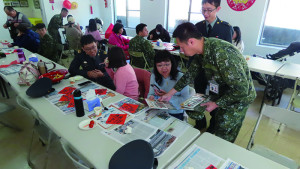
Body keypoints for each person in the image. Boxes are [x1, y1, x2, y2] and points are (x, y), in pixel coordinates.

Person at [159, 22, 256, 142]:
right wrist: (169, 94)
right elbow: (189, 75)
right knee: (207, 117)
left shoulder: (222, 54)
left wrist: (216, 104)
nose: (181, 51)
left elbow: (241, 90)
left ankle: (221, 154)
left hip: (238, 99)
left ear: (191, 41)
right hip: (222, 92)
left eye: (182, 47)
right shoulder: (202, 50)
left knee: (224, 131)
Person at [194, 0, 234, 130]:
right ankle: (200, 122)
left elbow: (227, 55)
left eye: (209, 10)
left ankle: (212, 125)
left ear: (218, 9)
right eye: (203, 9)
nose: (205, 13)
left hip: (215, 74)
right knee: (198, 97)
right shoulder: (197, 26)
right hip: (200, 71)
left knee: (215, 98)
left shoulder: (225, 28)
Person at [148, 50, 190, 120]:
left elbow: (186, 101)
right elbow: (150, 94)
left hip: (175, 113)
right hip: (159, 111)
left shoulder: (181, 78)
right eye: (159, 65)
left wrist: (169, 97)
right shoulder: (154, 76)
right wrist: (151, 97)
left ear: (172, 64)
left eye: (167, 64)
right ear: (155, 66)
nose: (164, 68)